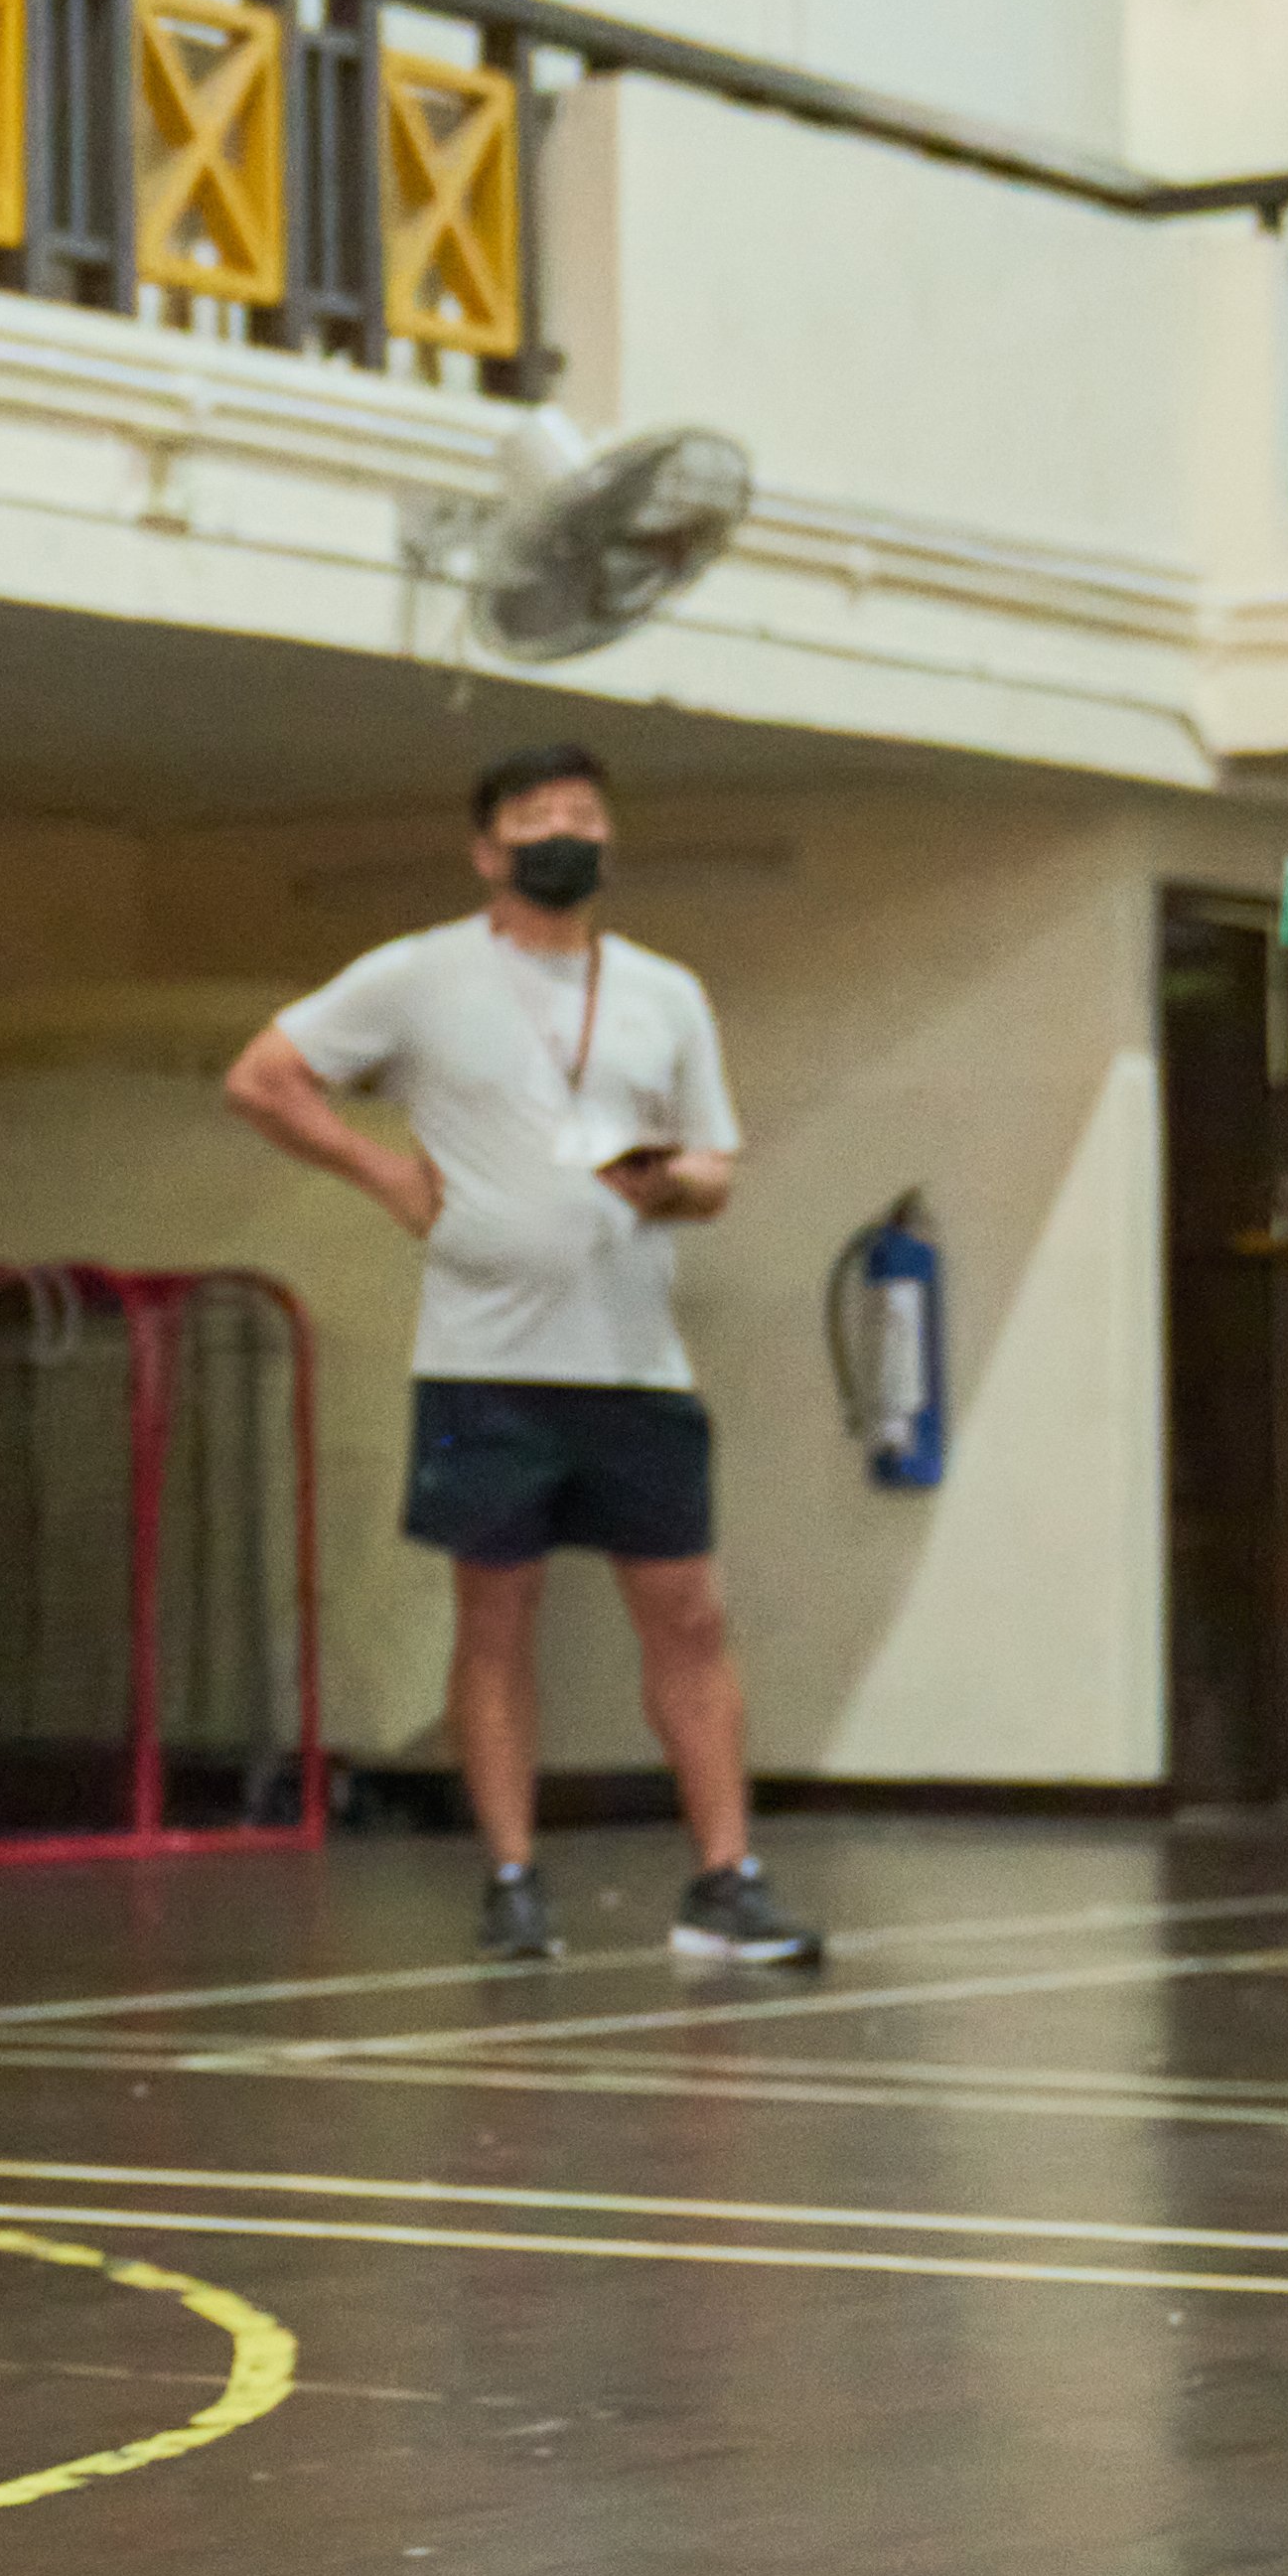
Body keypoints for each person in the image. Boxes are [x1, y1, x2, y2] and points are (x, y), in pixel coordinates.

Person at [225, 741, 825, 1970]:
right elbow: (263, 1077)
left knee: (688, 1615)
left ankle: (723, 1879)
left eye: (583, 815)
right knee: (494, 1613)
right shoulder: (418, 975)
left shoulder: (663, 992)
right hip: (483, 1362)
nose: (563, 832)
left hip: (634, 1361)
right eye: (535, 816)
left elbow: (713, 1163)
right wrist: (384, 1172)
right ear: (485, 849)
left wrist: (673, 1184)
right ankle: (508, 1876)